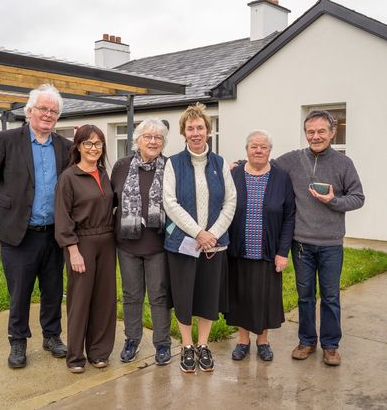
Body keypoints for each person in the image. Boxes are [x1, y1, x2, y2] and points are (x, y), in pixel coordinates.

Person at [0, 84, 71, 369]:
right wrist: (12, 205)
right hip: (19, 234)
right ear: (30, 111)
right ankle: (18, 341)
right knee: (19, 292)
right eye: (43, 108)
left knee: (53, 289)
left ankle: (52, 336)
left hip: (53, 234)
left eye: (53, 111)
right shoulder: (7, 140)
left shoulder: (64, 146)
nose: (48, 114)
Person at [274, 110, 365, 366]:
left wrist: (333, 200)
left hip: (331, 244)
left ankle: (331, 346)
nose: (316, 136)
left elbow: (358, 198)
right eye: (311, 132)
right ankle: (306, 341)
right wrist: (239, 164)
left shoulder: (344, 163)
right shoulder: (293, 159)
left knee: (330, 296)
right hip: (301, 243)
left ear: (332, 133)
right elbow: (265, 165)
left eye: (321, 131)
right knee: (305, 296)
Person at [163, 102, 236, 373]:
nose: (196, 133)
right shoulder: (173, 164)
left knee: (207, 296)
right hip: (183, 245)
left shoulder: (219, 163)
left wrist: (212, 235)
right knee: (183, 297)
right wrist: (198, 233)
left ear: (208, 130)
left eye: (200, 128)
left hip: (214, 246)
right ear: (184, 132)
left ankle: (203, 345)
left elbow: (230, 201)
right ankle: (186, 345)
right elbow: (170, 203)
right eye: (190, 128)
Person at [225, 130, 295, 361]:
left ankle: (263, 341)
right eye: (253, 146)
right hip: (238, 250)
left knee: (265, 297)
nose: (258, 150)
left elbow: (289, 217)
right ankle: (242, 341)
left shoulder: (281, 177)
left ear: (269, 151)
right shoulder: (234, 175)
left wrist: (282, 252)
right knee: (240, 296)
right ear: (246, 150)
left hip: (268, 251)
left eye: (263, 147)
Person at [54, 125, 116, 374]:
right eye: (88, 143)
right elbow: (63, 216)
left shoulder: (104, 174)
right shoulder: (69, 177)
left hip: (107, 241)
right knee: (80, 301)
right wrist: (73, 250)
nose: (93, 148)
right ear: (78, 147)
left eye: (98, 143)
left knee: (104, 300)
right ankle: (75, 356)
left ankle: (99, 352)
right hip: (82, 243)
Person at [111, 118, 172, 366]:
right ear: (138, 139)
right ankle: (132, 340)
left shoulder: (170, 167)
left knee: (159, 296)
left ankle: (162, 344)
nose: (153, 141)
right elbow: (110, 201)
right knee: (131, 295)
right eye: (148, 136)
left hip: (158, 245)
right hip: (127, 245)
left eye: (158, 138)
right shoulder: (122, 166)